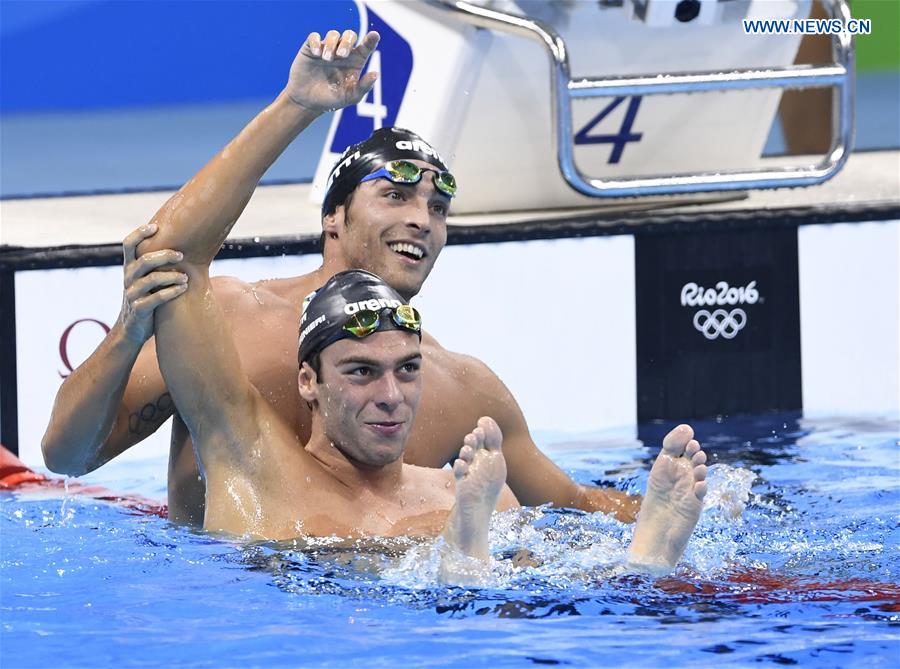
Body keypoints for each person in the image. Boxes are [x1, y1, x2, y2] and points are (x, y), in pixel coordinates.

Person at [42, 28, 664, 526]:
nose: (421, 220)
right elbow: (67, 456)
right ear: (332, 220)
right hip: (224, 593)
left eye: (438, 207)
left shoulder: (464, 388)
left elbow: (573, 509)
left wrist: (697, 519)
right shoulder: (231, 321)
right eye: (395, 197)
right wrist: (295, 108)